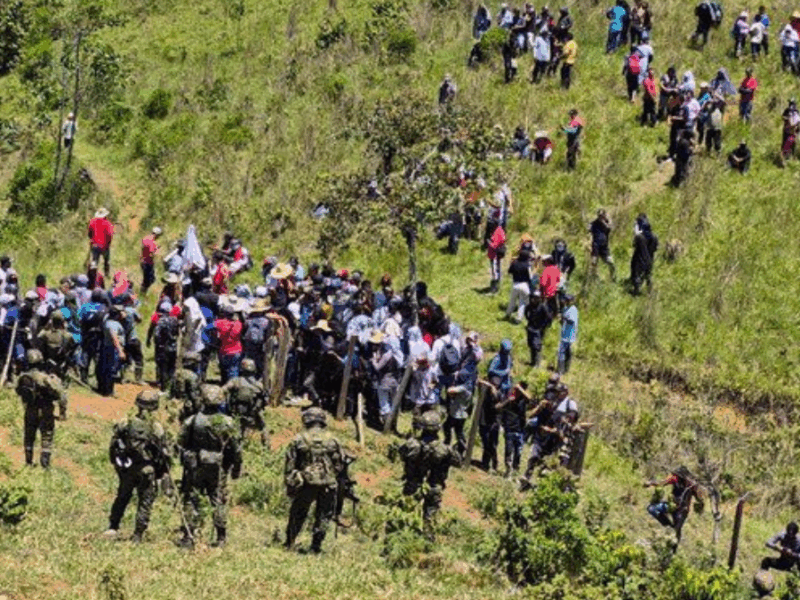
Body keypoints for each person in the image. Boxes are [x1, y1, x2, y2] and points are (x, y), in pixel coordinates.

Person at [177, 384, 242, 549]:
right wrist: (236, 468)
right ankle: (221, 538)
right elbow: (236, 449)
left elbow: (181, 444)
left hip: (196, 465)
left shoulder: (192, 421)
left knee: (192, 499)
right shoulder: (228, 422)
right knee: (217, 500)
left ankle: (188, 535)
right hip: (217, 467)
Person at [104, 391, 170, 543]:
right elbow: (163, 452)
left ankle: (113, 526)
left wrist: (116, 464)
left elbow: (114, 444)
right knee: (145, 501)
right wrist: (161, 471)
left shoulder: (126, 422)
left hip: (128, 467)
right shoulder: (156, 427)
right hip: (147, 469)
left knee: (122, 497)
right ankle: (138, 535)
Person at [284, 407, 343, 553]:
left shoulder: (298, 439)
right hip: (328, 484)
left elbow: (290, 465)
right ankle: (316, 546)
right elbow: (340, 465)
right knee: (324, 516)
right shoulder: (333, 440)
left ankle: (290, 542)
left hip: (306, 483)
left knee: (298, 513)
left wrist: (291, 484)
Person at [398, 411, 460, 528]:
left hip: (412, 484)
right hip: (434, 487)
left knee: (404, 515)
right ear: (438, 429)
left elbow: (401, 454)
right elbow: (458, 463)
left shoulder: (412, 445)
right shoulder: (445, 450)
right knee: (430, 519)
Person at [16, 349, 67, 468]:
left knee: (29, 436)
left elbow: (18, 391)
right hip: (46, 409)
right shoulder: (46, 378)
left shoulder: (23, 377)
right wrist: (62, 412)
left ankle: (28, 461)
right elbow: (62, 395)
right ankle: (45, 463)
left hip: (30, 409)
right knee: (47, 435)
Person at [644, 466, 703, 541]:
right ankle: (668, 525)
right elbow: (662, 483)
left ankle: (673, 548)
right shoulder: (675, 478)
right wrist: (651, 483)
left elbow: (699, 497)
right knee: (652, 509)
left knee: (677, 530)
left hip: (682, 510)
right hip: (671, 505)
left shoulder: (691, 484)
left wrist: (698, 491)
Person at [222, 358, 268, 444]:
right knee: (263, 425)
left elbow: (223, 390)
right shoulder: (259, 385)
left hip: (235, 412)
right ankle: (266, 443)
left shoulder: (235, 381)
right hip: (252, 413)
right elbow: (265, 401)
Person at [496, 382, 528, 477]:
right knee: (509, 451)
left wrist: (520, 389)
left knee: (518, 453)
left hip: (520, 430)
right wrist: (508, 401)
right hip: (509, 429)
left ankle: (515, 470)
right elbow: (497, 407)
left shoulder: (522, 401)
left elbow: (530, 399)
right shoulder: (508, 399)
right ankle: (508, 470)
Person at [214, 303, 243, 384]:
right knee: (234, 371)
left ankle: (224, 387)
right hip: (236, 351)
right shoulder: (238, 324)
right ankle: (233, 388)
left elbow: (211, 327)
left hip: (223, 351)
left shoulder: (219, 323)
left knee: (224, 370)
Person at [630, 213, 658, 295]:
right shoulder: (654, 237)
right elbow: (655, 249)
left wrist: (636, 229)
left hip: (639, 259)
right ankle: (650, 291)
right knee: (648, 275)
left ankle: (636, 291)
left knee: (636, 274)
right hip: (650, 259)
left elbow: (635, 244)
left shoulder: (640, 237)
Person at [524, 290, 552, 367]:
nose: (534, 300)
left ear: (539, 299)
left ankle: (537, 363)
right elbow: (526, 312)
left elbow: (549, 318)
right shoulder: (530, 305)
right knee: (530, 345)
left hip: (539, 329)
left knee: (536, 346)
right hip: (531, 327)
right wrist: (529, 319)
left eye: (536, 298)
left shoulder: (543, 307)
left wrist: (544, 327)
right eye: (533, 298)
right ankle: (532, 361)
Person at [589, 209, 616, 280]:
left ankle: (613, 276)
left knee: (610, 262)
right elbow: (588, 229)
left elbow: (610, 228)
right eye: (599, 216)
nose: (600, 217)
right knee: (594, 262)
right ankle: (594, 277)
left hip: (604, 247)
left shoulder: (606, 224)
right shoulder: (594, 224)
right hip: (596, 246)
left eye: (602, 216)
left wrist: (606, 220)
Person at [506, 250, 532, 322]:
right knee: (522, 303)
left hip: (515, 284)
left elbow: (509, 271)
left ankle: (508, 314)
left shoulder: (514, 263)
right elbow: (530, 277)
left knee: (512, 301)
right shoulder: (527, 265)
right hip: (524, 285)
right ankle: (518, 318)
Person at [87, 208, 114, 277]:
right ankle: (107, 275)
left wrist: (91, 240)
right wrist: (108, 243)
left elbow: (89, 233)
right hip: (105, 245)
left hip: (95, 245)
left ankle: (93, 276)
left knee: (94, 261)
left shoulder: (92, 222)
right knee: (106, 261)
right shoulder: (108, 223)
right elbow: (110, 234)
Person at [557, 295, 578, 374]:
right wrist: (561, 319)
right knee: (561, 352)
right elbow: (563, 321)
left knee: (567, 353)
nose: (567, 301)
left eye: (569, 300)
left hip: (570, 335)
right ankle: (560, 369)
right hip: (563, 334)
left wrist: (564, 318)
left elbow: (572, 321)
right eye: (566, 300)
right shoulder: (565, 309)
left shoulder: (573, 310)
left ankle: (565, 369)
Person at [140, 227, 162, 294]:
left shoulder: (145, 238)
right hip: (148, 262)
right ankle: (143, 292)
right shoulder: (152, 242)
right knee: (150, 279)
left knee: (146, 279)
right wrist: (157, 250)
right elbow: (151, 255)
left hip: (142, 261)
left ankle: (143, 292)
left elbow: (143, 248)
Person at [780, 99, 800, 166]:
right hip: (787, 130)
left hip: (793, 131)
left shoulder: (796, 112)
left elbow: (798, 121)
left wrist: (796, 128)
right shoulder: (787, 110)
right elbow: (783, 117)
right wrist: (787, 119)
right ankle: (783, 159)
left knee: (793, 144)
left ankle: (791, 157)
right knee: (784, 144)